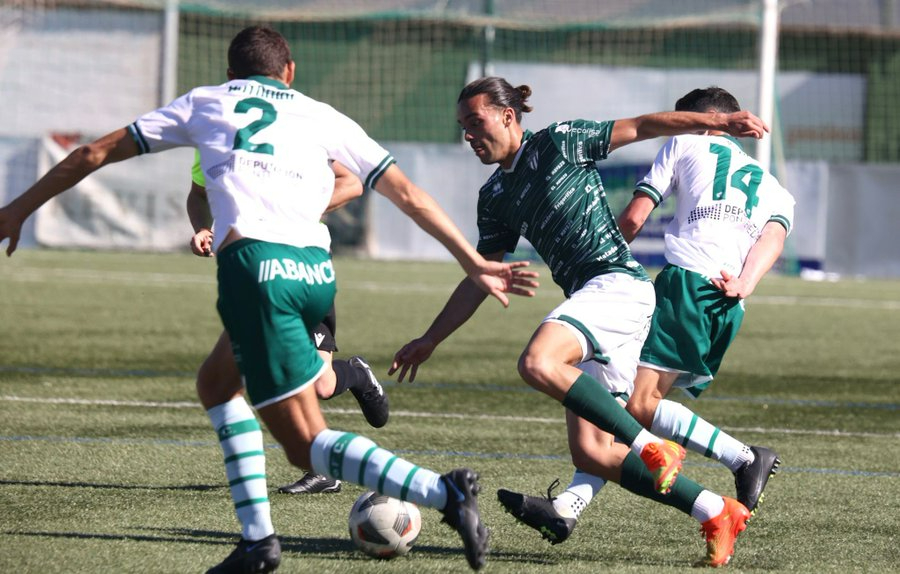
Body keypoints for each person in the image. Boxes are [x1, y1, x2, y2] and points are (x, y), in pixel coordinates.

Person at [0, 27, 540, 573]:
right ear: (290, 72)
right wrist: (471, 260)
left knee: (306, 445)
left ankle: (443, 492)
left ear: (232, 75)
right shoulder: (320, 113)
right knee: (216, 383)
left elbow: (93, 151)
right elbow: (407, 193)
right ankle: (256, 541)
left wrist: (18, 208)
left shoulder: (209, 101)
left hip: (256, 272)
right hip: (314, 274)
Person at [389, 77, 768, 566]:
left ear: (508, 116)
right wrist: (431, 339)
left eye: (475, 122)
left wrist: (717, 122)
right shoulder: (495, 196)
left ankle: (653, 444)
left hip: (617, 286)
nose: (468, 134)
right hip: (602, 302)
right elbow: (479, 277)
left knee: (538, 362)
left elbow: (644, 125)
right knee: (592, 454)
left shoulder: (561, 140)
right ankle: (715, 509)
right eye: (462, 126)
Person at [497, 87, 793, 556]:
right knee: (610, 411)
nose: (677, 122)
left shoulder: (686, 140)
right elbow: (774, 235)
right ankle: (568, 509)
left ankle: (742, 456)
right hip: (728, 304)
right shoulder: (770, 182)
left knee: (631, 405)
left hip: (685, 286)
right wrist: (746, 284)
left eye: (682, 116)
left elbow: (635, 216)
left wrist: (608, 265)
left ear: (700, 119)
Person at [188, 155, 387, 496]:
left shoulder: (292, 127)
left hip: (298, 270)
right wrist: (202, 228)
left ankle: (320, 475)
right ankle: (354, 374)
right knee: (318, 384)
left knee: (285, 379)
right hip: (250, 277)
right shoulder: (213, 136)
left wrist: (292, 212)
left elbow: (351, 182)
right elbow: (197, 193)